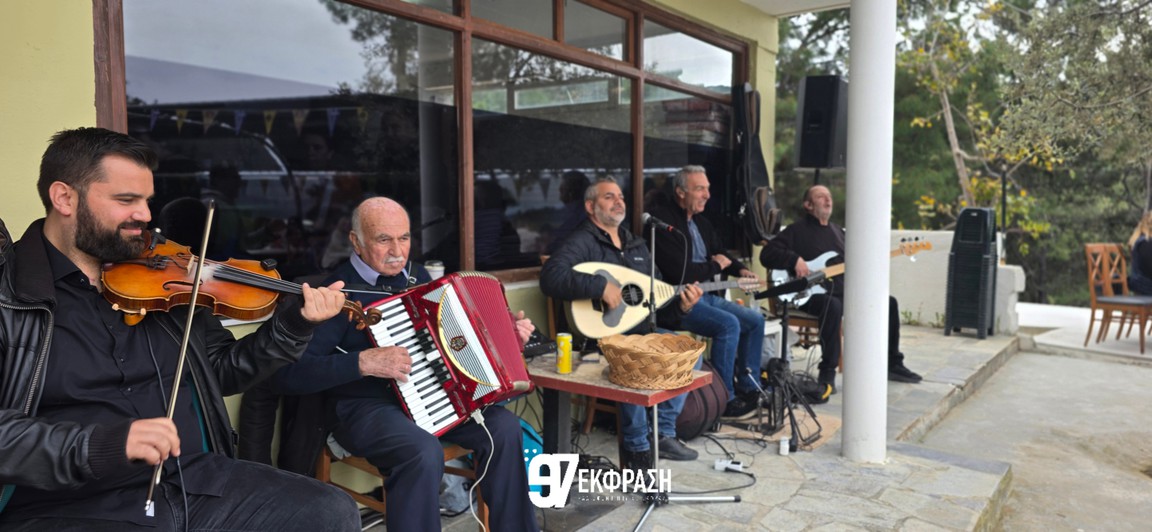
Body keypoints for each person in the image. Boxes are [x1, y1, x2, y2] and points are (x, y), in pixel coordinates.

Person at [0, 127, 360, 531]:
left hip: (191, 481)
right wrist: (101, 445)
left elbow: (221, 370)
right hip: (69, 505)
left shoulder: (164, 279)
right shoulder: (9, 293)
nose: (145, 215)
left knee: (331, 509)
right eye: (126, 200)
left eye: (147, 201)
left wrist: (294, 324)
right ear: (64, 198)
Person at [272, 196, 540, 531]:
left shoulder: (419, 276)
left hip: (432, 397)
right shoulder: (335, 293)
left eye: (404, 238)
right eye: (384, 239)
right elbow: (286, 374)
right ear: (356, 241)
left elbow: (454, 346)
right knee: (422, 451)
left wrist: (507, 341)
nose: (397, 251)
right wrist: (361, 362)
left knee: (504, 428)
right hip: (364, 406)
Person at [540, 176, 704, 471]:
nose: (619, 202)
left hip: (639, 333)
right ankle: (637, 450)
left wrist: (681, 306)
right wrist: (599, 286)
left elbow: (654, 306)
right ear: (590, 206)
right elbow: (551, 276)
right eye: (609, 197)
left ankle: (663, 433)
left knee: (689, 353)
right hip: (597, 340)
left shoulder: (636, 243)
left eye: (621, 197)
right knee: (634, 361)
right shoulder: (583, 240)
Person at [759, 185, 922, 392]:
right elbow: (767, 255)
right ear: (808, 205)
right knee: (832, 305)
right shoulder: (795, 231)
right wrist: (794, 260)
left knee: (888, 302)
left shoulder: (839, 233)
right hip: (808, 295)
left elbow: (854, 264)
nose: (828, 200)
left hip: (842, 292)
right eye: (821, 197)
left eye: (829, 196)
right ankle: (827, 374)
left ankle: (893, 363)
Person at [647, 165, 765, 419]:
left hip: (708, 295)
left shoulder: (701, 222)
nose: (707, 195)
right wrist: (715, 266)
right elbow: (681, 272)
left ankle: (749, 387)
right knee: (729, 324)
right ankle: (724, 400)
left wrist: (741, 270)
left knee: (755, 320)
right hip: (680, 302)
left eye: (708, 189)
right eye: (700, 189)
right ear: (681, 192)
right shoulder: (663, 222)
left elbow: (722, 253)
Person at [1128, 212, 1152, 295]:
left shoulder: (1143, 240)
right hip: (1145, 285)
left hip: (1142, 283)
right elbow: (1149, 269)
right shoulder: (1146, 243)